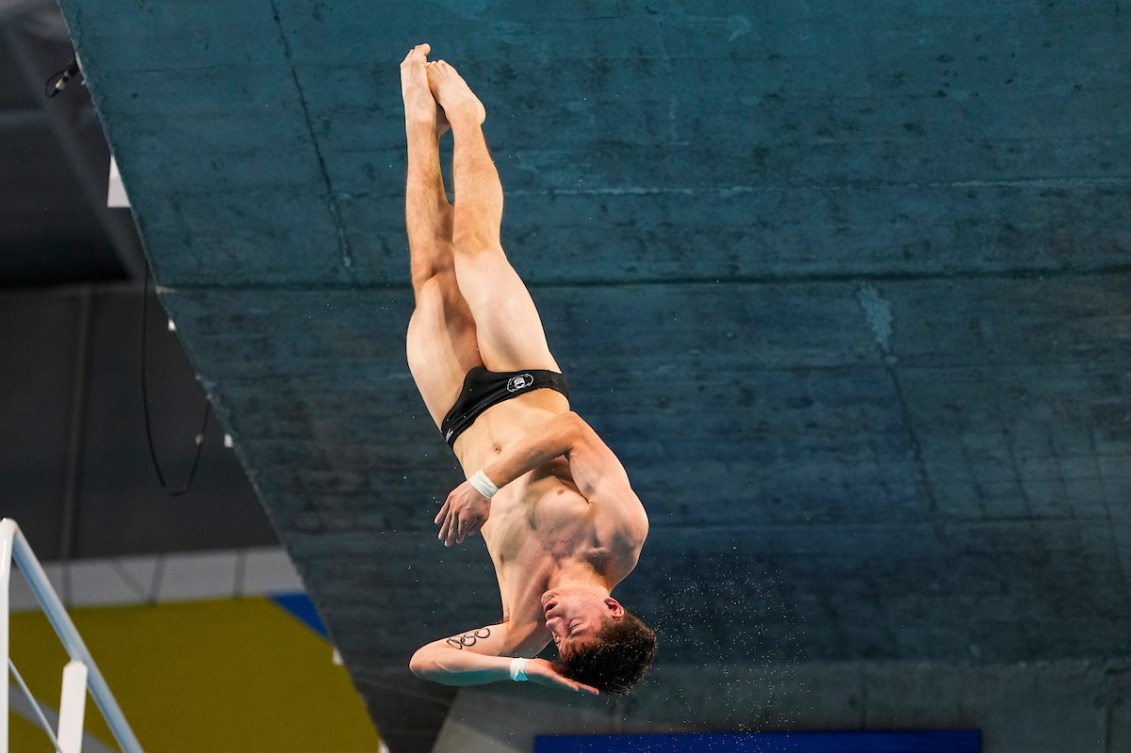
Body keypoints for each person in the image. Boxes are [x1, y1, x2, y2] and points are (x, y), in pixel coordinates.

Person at [400, 44, 656, 696]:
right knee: (473, 245)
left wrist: (523, 664)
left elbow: (425, 660)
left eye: (558, 644)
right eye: (574, 632)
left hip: (458, 411)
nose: (555, 627)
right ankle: (465, 116)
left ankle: (417, 122)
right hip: (525, 381)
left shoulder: (520, 626)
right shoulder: (618, 533)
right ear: (611, 610)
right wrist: (482, 486)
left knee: (430, 269)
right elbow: (569, 431)